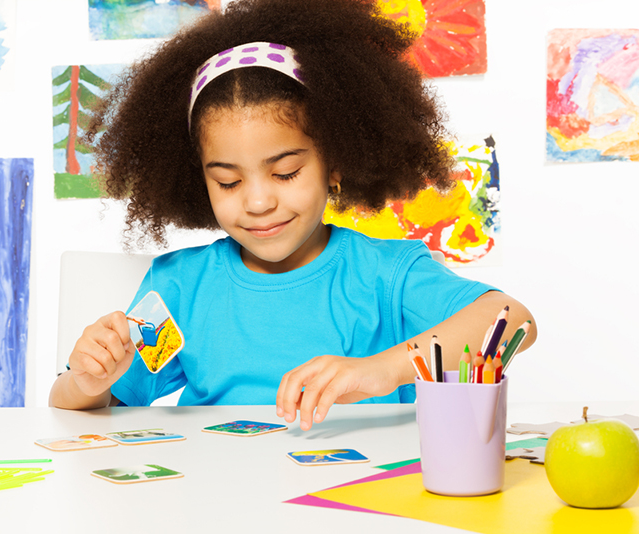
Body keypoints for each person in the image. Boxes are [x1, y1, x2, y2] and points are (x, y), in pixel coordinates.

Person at [49, 0, 536, 430]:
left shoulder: (385, 275)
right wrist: (87, 381)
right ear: (199, 179)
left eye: (284, 173)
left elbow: (512, 321)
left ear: (335, 163)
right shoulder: (180, 288)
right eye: (228, 181)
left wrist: (380, 371)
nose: (258, 202)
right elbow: (91, 408)